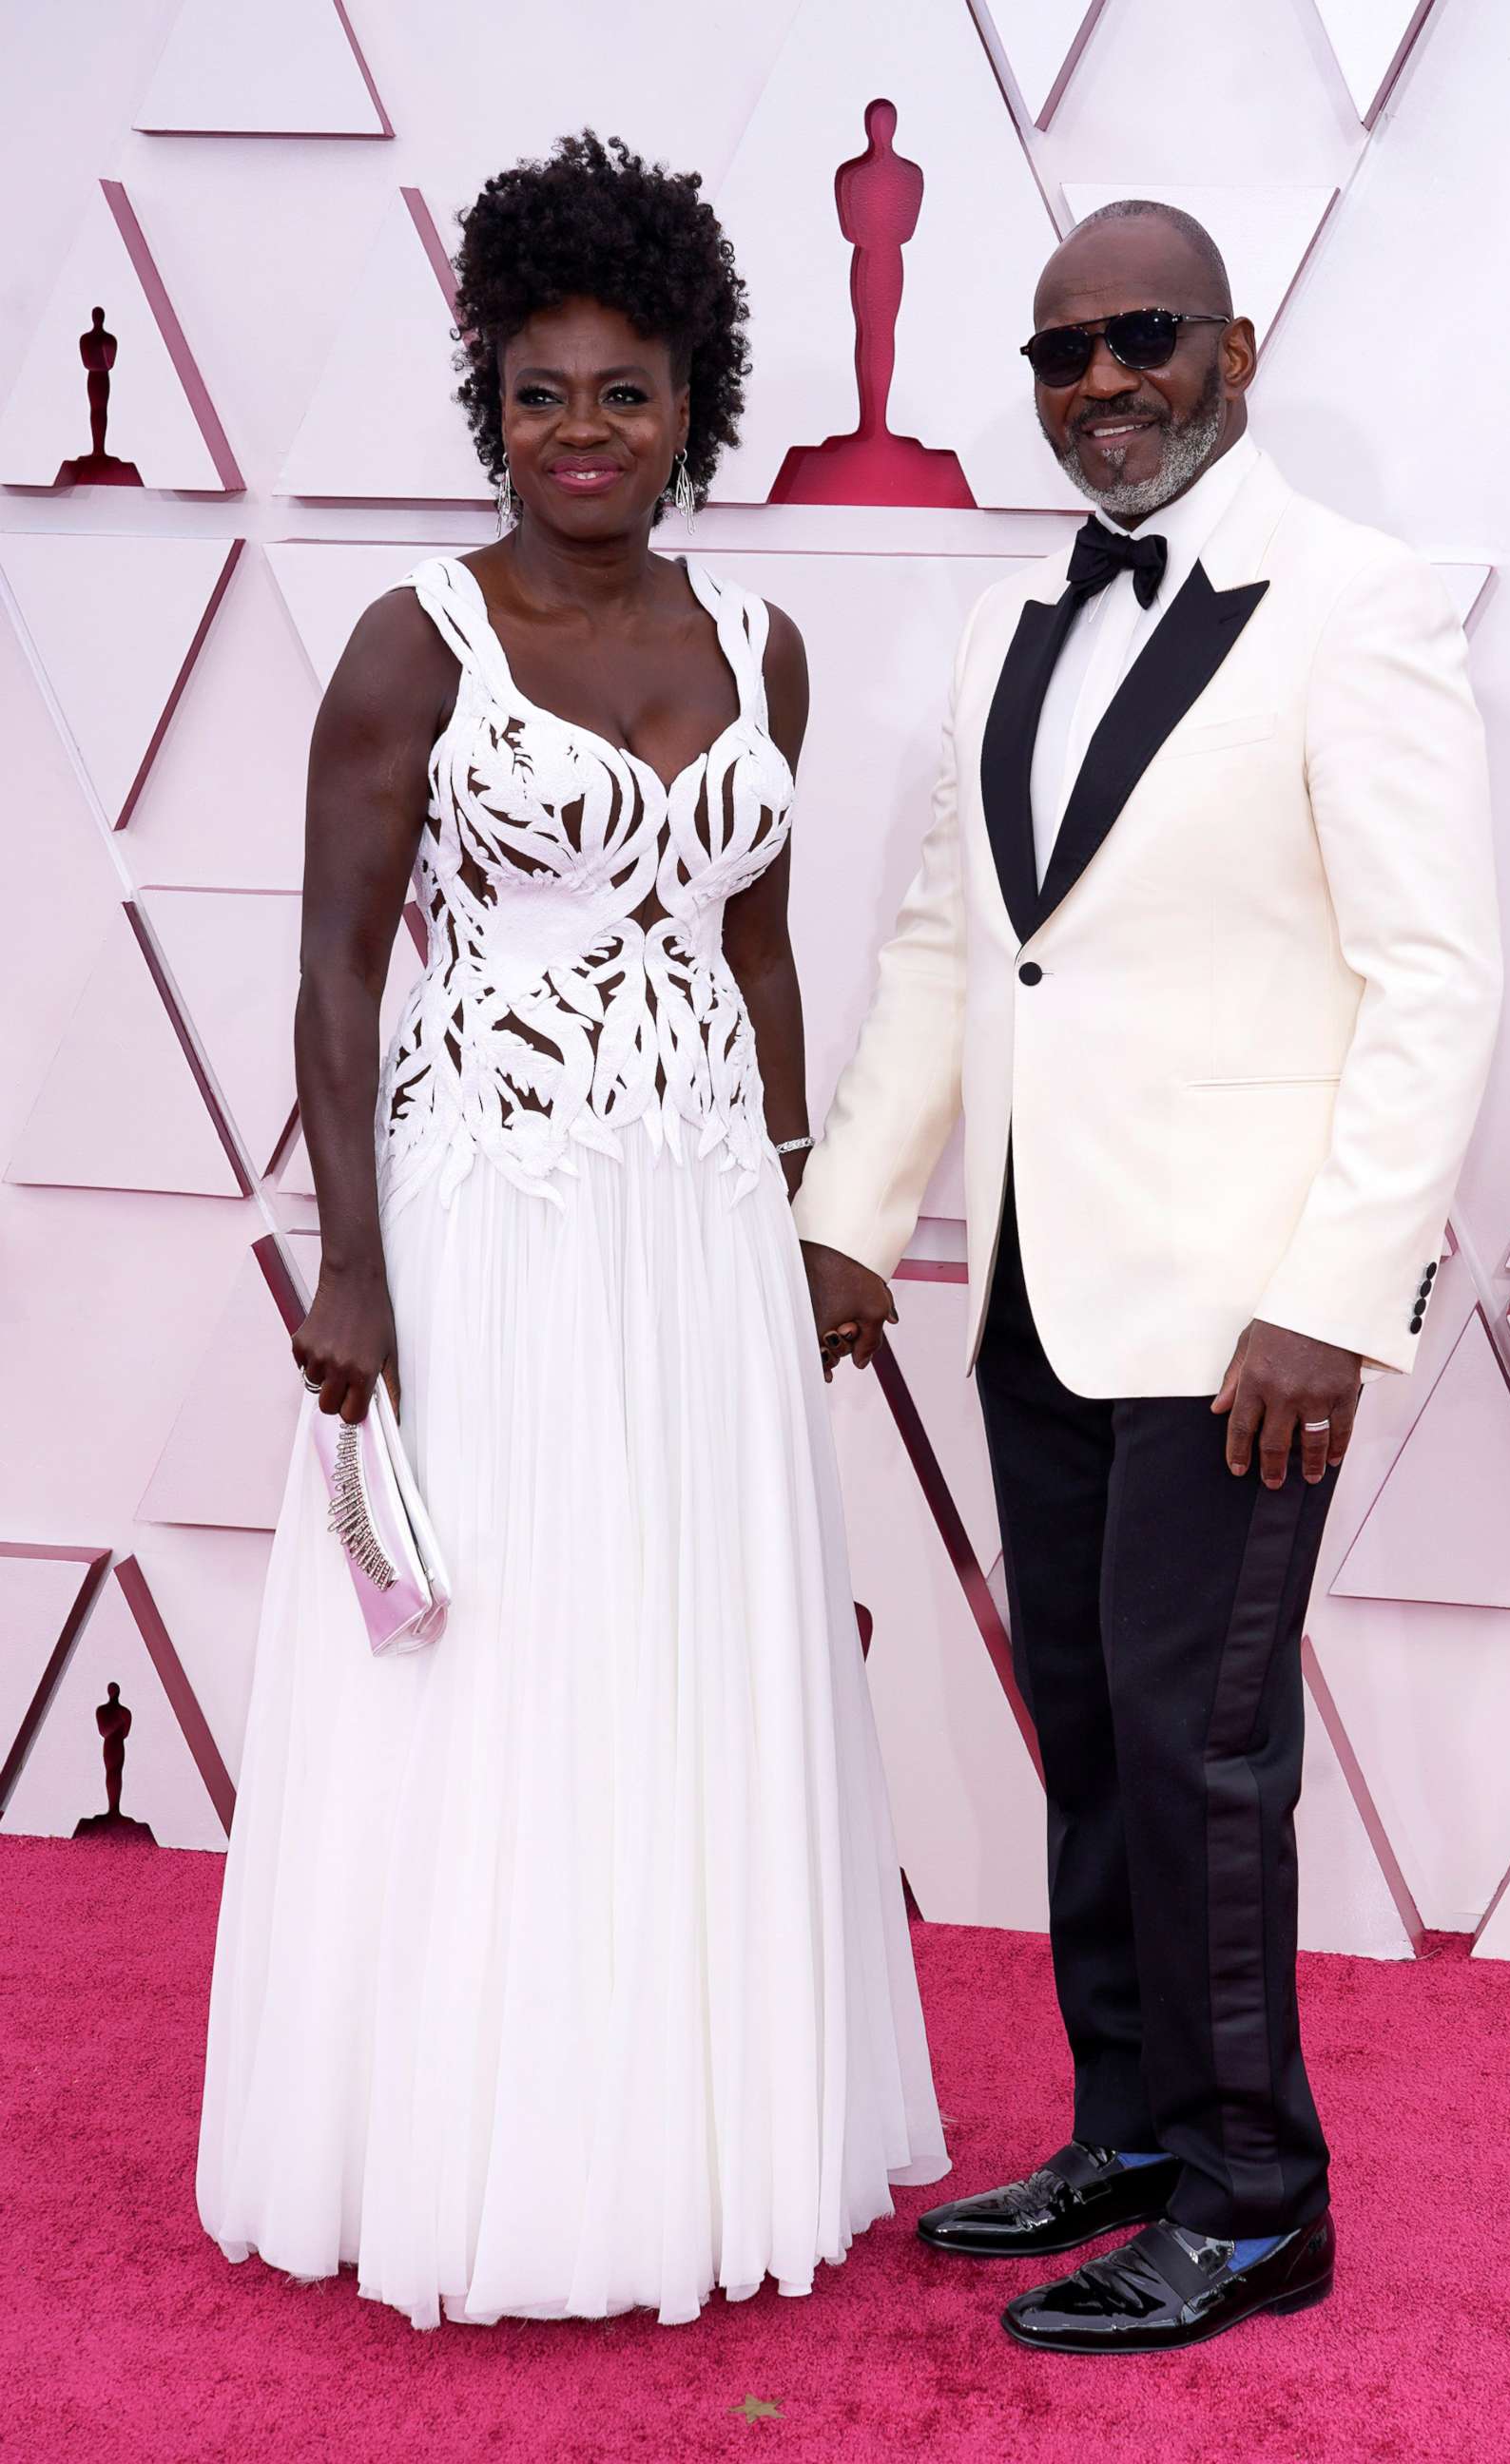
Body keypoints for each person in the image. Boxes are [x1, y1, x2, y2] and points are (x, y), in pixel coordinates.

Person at [196, 130, 946, 2333]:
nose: (584, 431)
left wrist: (810, 1210)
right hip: (491, 1220)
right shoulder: (408, 644)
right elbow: (336, 972)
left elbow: (765, 943)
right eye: (541, 390)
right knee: (502, 1663)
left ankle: (680, 2132)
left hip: (701, 1223)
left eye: (625, 389)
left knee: (683, 1646)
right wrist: (350, 1267)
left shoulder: (764, 641)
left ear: (695, 399)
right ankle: (469, 2150)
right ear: (488, 404)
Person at [796, 199, 1501, 2355]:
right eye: (1057, 355)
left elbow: (1434, 979)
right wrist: (848, 1218)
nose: (1097, 384)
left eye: (1139, 339)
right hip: (1039, 1282)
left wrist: (1335, 1288)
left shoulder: (1358, 606)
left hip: (1238, 1319)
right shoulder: (1013, 621)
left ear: (1233, 347)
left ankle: (1255, 2195)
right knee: (1097, 1739)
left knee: (1206, 1764)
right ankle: (1128, 2137)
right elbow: (951, 948)